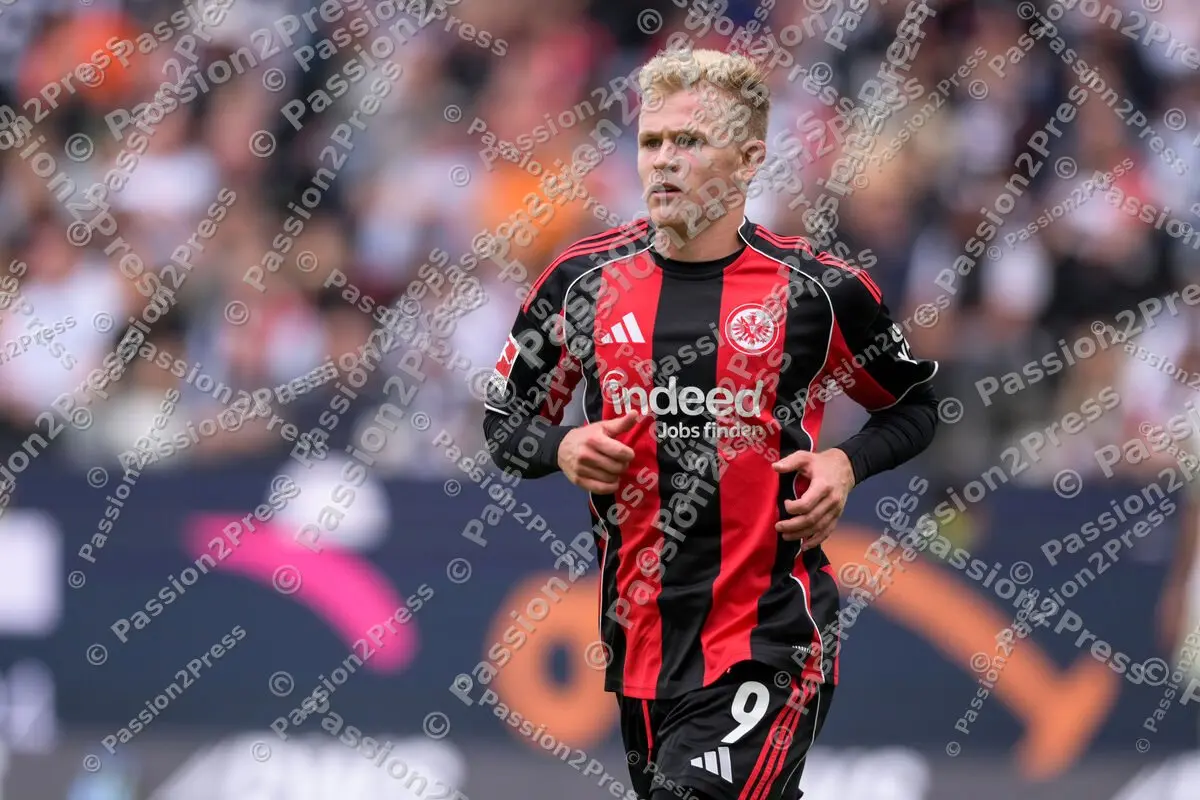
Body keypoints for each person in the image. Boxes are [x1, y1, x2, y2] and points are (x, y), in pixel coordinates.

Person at [482, 48, 940, 800]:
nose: (663, 160)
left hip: (769, 638)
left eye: (688, 142)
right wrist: (560, 445)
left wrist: (846, 462)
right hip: (641, 650)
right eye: (651, 141)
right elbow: (503, 425)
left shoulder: (818, 292)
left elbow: (915, 406)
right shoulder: (580, 284)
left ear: (750, 158)